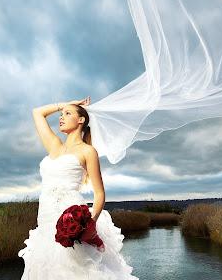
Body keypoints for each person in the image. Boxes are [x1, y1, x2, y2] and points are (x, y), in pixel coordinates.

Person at [18, 96, 139, 279]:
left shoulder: (87, 151)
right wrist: (69, 103)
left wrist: (89, 224)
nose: (61, 117)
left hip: (71, 218)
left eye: (68, 114)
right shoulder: (54, 146)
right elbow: (37, 112)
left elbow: (99, 194)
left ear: (81, 120)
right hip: (45, 219)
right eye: (61, 114)